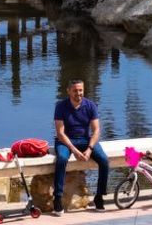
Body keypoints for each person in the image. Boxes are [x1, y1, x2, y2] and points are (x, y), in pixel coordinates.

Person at [51, 77, 108, 212]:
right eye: (75, 91)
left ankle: (99, 196)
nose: (78, 94)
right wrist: (74, 150)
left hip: (85, 140)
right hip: (65, 141)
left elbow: (96, 130)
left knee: (104, 161)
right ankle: (57, 198)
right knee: (62, 160)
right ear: (69, 91)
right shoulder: (60, 106)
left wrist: (89, 149)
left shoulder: (90, 105)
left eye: (81, 90)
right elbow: (60, 132)